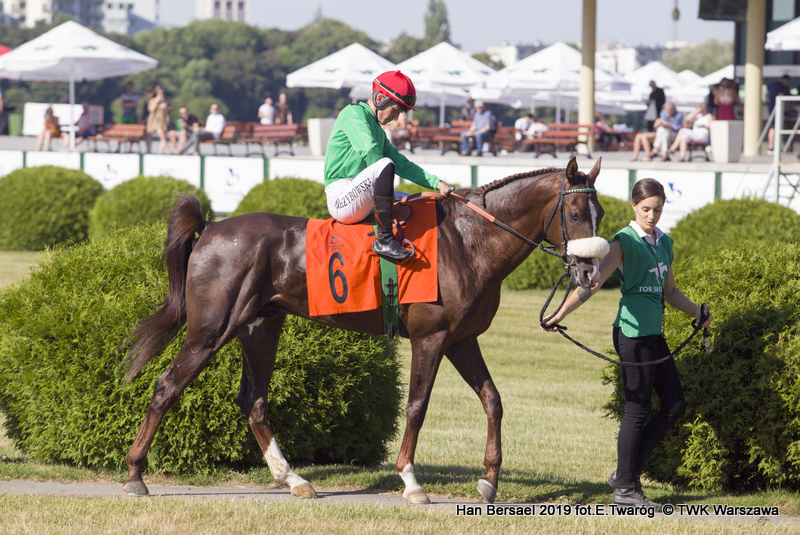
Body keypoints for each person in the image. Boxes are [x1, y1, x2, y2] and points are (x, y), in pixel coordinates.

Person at [542, 178, 712, 510]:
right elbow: (593, 284)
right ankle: (625, 489)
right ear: (634, 206)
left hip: (654, 335)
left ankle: (624, 473)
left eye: (658, 210)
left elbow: (670, 292)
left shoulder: (665, 243)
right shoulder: (624, 240)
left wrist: (697, 312)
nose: (652, 215)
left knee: (675, 404)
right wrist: (558, 313)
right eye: (646, 209)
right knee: (637, 409)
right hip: (631, 334)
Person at [323, 70, 451, 261]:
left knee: (417, 202)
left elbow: (402, 165)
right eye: (396, 110)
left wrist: (436, 183)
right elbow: (369, 150)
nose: (397, 118)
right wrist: (384, 177)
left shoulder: (378, 132)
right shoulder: (353, 113)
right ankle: (384, 240)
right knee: (384, 163)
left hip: (360, 193)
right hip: (341, 198)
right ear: (380, 98)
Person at [767, 74, 790, 154]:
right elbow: (782, 97)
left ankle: (772, 147)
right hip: (776, 108)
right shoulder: (780, 86)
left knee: (773, 127)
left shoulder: (772, 84)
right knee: (775, 127)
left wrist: (770, 103)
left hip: (771, 108)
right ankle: (772, 148)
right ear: (785, 80)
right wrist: (790, 104)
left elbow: (767, 94)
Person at [146, 87, 173, 155]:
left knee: (163, 137)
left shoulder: (165, 100)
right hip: (156, 120)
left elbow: (171, 108)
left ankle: (160, 152)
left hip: (163, 120)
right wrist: (157, 100)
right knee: (162, 137)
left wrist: (166, 107)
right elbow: (151, 109)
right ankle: (168, 151)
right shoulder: (153, 100)